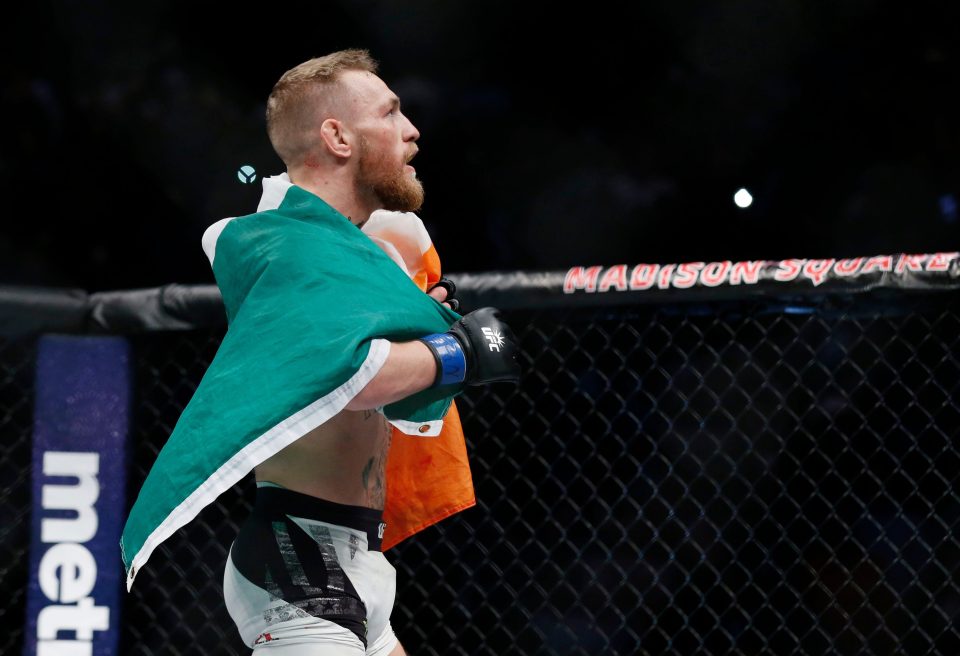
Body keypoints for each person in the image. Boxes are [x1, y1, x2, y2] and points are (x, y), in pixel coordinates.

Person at [120, 49, 520, 655]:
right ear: (336, 135)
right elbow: (353, 376)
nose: (410, 130)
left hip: (357, 555)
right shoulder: (288, 248)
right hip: (296, 559)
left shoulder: (340, 254)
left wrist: (414, 309)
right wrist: (456, 349)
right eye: (389, 113)